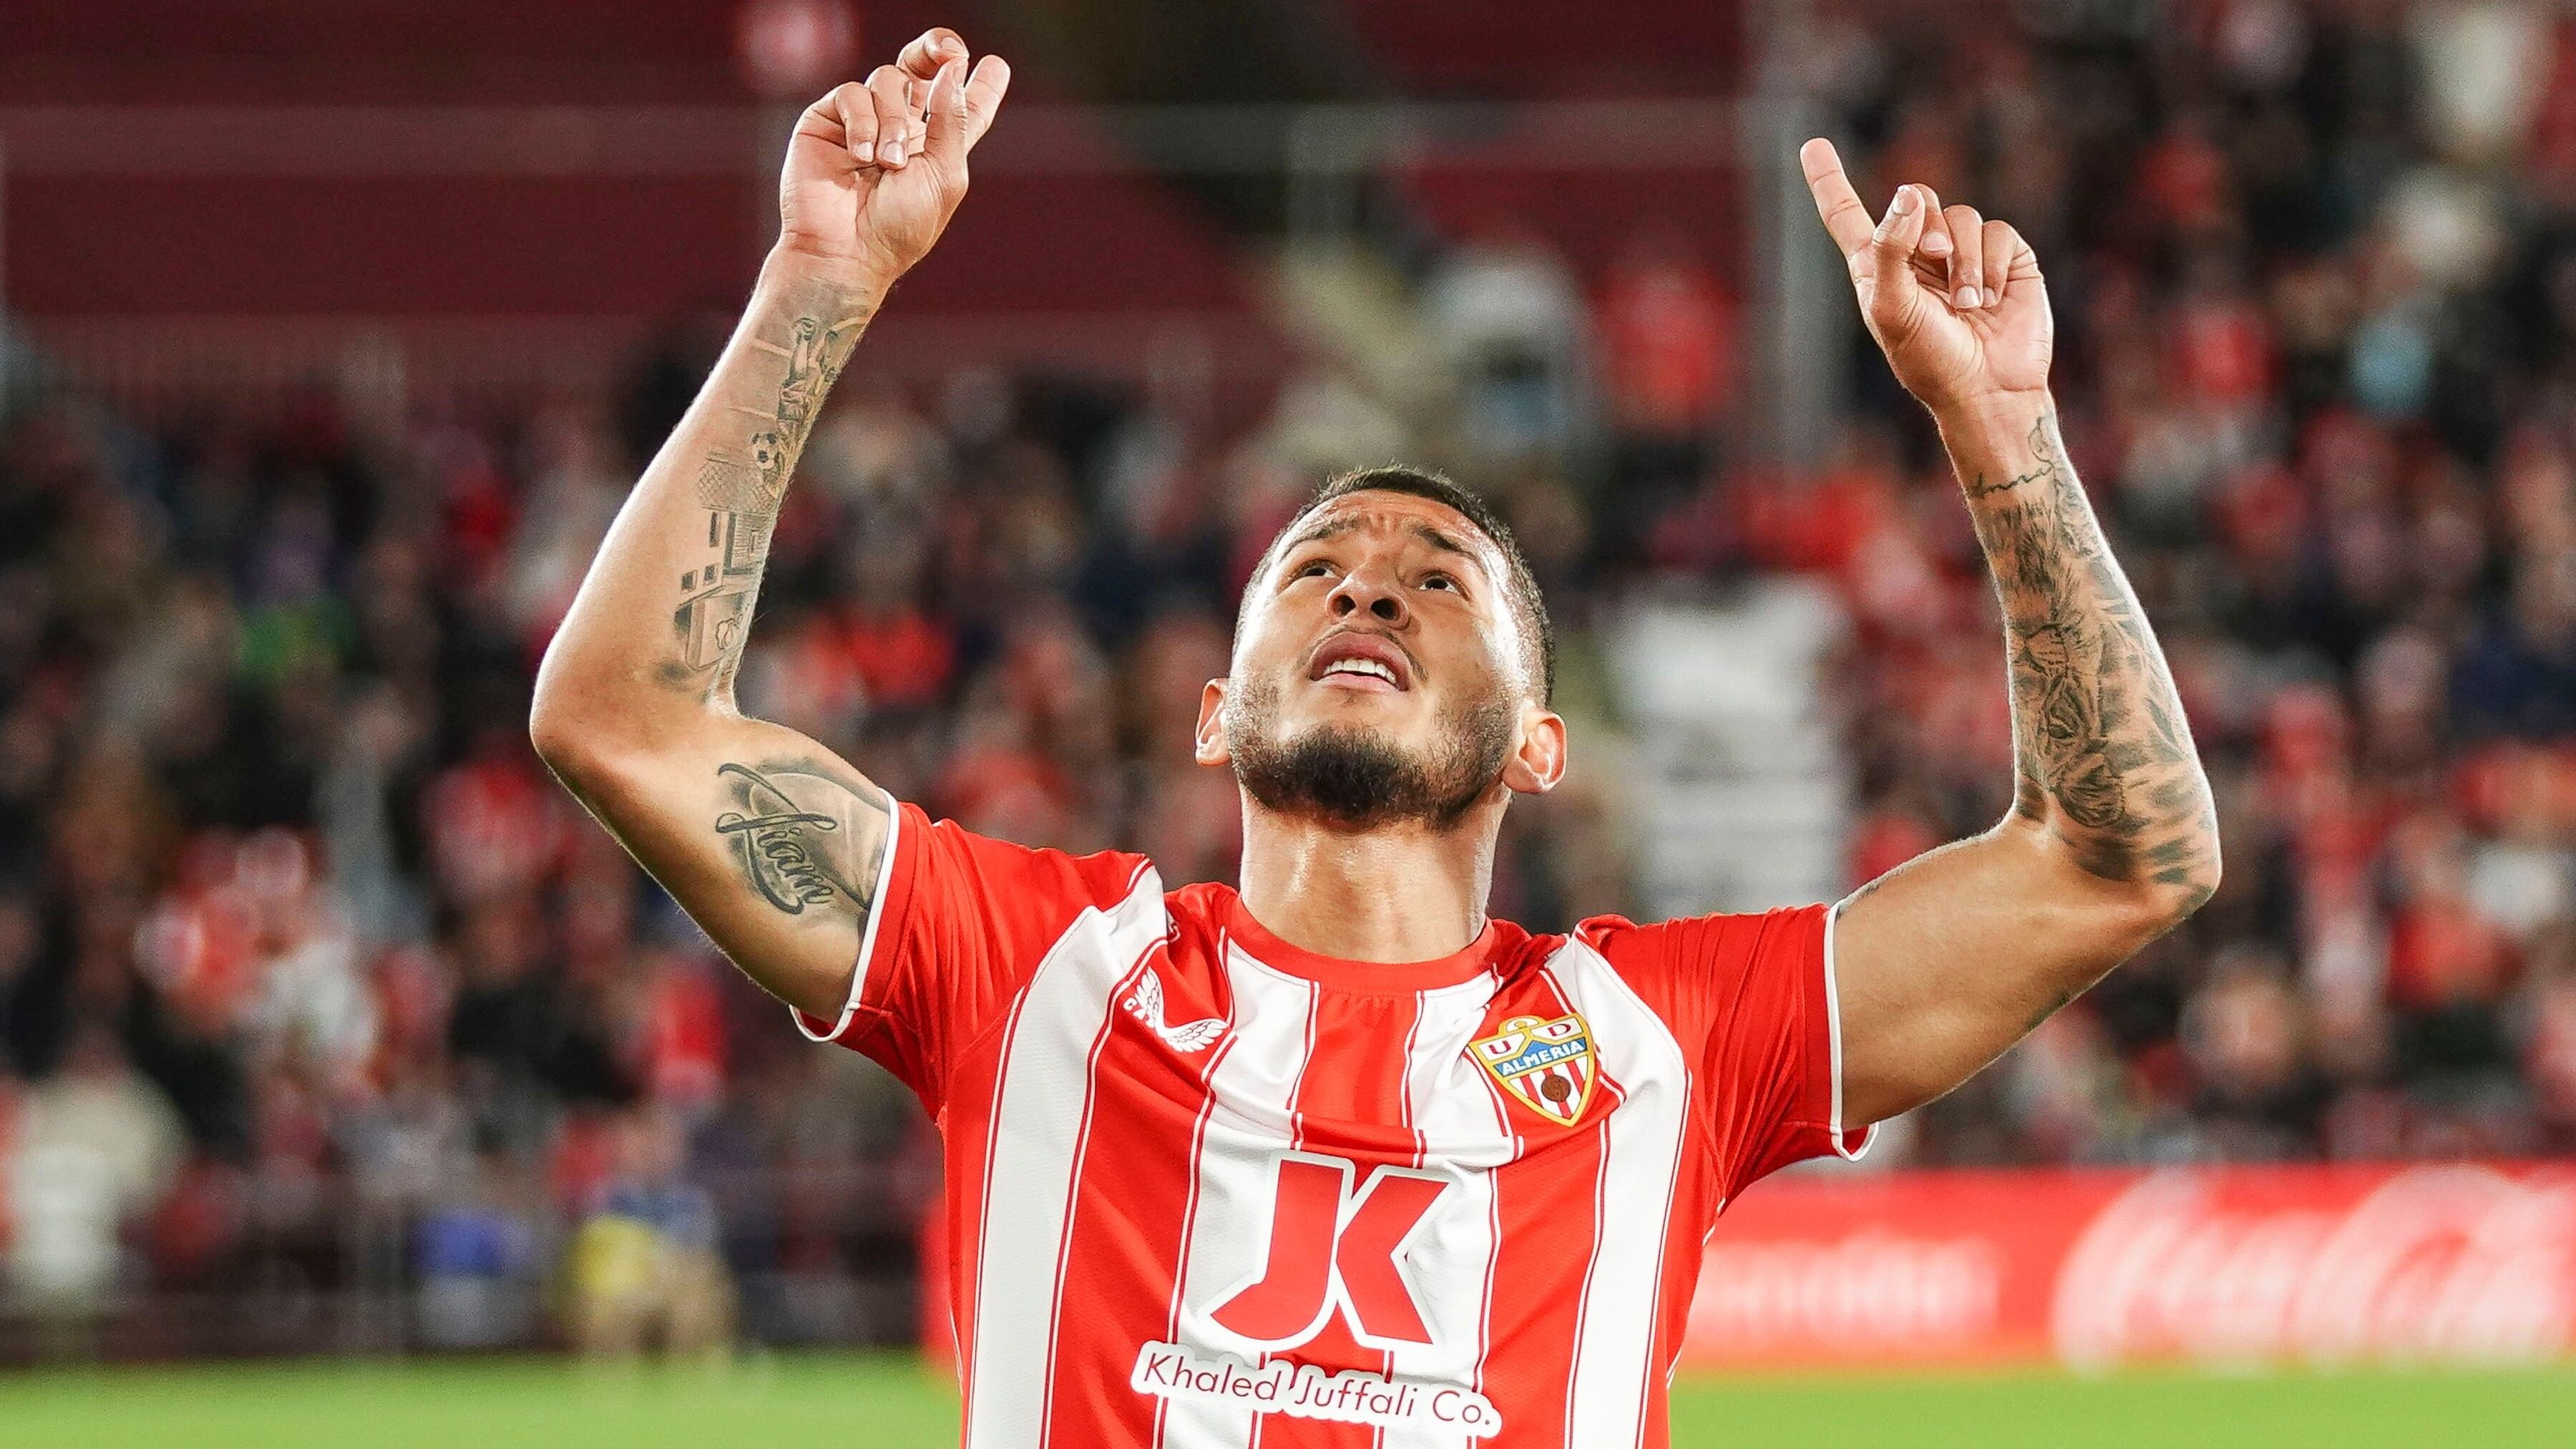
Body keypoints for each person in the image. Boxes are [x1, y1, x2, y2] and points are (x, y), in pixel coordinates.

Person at [529, 27, 2220, 1446]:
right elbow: (626, 718)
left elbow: (2118, 862)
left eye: (1438, 578)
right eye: (1315, 568)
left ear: (1541, 743)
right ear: (1215, 714)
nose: (1370, 586)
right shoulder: (1037, 973)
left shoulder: (1667, 1043)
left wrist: (2003, 431)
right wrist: (818, 282)